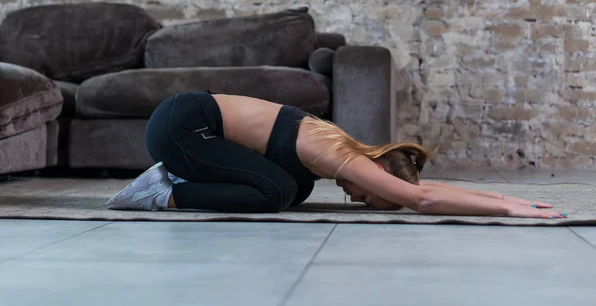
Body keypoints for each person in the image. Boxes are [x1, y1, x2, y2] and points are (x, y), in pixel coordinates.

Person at [106, 91, 567, 219]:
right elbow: (421, 201)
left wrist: (510, 201)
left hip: (189, 125)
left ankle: (181, 181)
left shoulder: (343, 152)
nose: (358, 199)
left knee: (297, 188)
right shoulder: (336, 154)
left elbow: (419, 191)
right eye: (369, 195)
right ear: (378, 169)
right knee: (275, 193)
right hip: (181, 128)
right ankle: (159, 195)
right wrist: (508, 207)